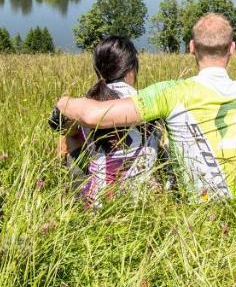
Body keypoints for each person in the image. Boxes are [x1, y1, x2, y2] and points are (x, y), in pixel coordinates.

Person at [54, 13, 236, 208]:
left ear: (192, 47)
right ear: (232, 48)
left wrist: (63, 103)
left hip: (194, 209)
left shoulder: (169, 93)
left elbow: (93, 116)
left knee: (70, 139)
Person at [56, 36, 162, 206]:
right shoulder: (148, 100)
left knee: (70, 137)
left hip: (100, 202)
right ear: (132, 69)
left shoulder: (90, 103)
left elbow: (62, 129)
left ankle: (73, 192)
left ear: (98, 69)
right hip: (142, 202)